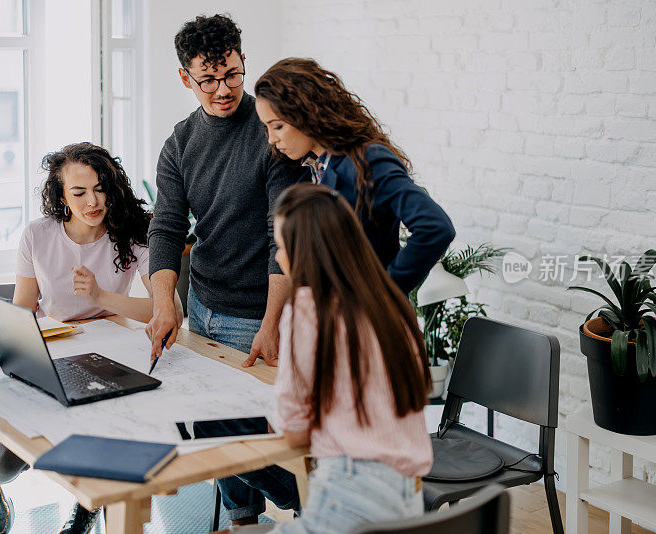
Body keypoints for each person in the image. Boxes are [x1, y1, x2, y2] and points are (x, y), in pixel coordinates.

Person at [0, 142, 182, 534]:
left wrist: (102, 297)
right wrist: (4, 326)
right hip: (51, 351)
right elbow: (24, 307)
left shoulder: (133, 234)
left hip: (110, 354)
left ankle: (86, 511)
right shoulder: (37, 236)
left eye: (100, 188)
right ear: (61, 197)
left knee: (109, 433)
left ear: (113, 187)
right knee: (7, 463)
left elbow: (171, 311)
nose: (92, 201)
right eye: (79, 193)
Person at [145, 14, 301, 526]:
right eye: (208, 79)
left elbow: (286, 237)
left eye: (232, 74)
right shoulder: (180, 142)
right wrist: (164, 302)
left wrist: (272, 322)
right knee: (213, 428)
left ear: (241, 63)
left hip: (255, 309)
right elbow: (166, 229)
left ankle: (310, 496)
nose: (223, 90)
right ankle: (245, 521)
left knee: (235, 431)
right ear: (186, 78)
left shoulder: (271, 132)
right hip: (202, 305)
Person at [235, 183, 433, 533]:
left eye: (283, 247)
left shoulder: (309, 308)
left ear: (309, 251)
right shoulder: (391, 300)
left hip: (349, 493)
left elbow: (295, 433)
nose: (280, 258)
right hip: (408, 498)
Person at [254, 58, 456, 295]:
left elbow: (435, 227)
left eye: (277, 126)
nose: (271, 139)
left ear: (306, 113)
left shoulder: (368, 160)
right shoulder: (311, 170)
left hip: (367, 323)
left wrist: (384, 296)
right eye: (266, 127)